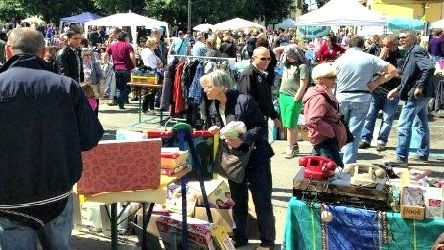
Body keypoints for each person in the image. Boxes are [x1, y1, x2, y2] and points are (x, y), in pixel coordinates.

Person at [0, 27, 103, 249]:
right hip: (56, 194)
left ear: (8, 52)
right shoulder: (66, 87)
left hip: (9, 199)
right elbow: (90, 138)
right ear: (44, 52)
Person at [202, 70, 275, 249]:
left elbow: (260, 127)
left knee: (261, 200)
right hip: (234, 160)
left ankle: (267, 241)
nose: (205, 90)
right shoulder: (213, 105)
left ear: (221, 86)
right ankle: (240, 238)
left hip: (256, 157)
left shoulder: (244, 100)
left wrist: (243, 138)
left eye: (208, 86)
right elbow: (220, 127)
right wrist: (215, 130)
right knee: (238, 200)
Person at [334, 35, 398, 164]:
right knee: (355, 131)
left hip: (342, 96)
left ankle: (335, 158)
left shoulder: (340, 60)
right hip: (362, 97)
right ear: (363, 45)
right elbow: (393, 70)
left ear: (349, 45)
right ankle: (349, 162)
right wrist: (377, 83)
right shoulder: (370, 58)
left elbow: (331, 77)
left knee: (339, 129)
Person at [386, 30, 435, 167]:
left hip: (417, 95)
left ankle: (401, 158)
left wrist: (419, 86)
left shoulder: (417, 51)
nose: (401, 40)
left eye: (404, 37)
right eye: (399, 38)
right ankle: (423, 154)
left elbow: (429, 68)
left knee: (403, 125)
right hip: (420, 93)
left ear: (413, 38)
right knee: (421, 124)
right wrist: (397, 90)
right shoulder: (411, 51)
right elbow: (409, 76)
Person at [359, 35, 403, 151]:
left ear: (394, 45)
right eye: (382, 45)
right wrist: (381, 57)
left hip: (391, 92)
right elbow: (371, 68)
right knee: (369, 116)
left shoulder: (400, 55)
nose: (384, 48)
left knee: (387, 118)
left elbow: (398, 72)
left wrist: (382, 71)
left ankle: (382, 140)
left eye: (387, 46)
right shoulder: (377, 52)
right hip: (375, 91)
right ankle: (365, 139)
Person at [302, 63, 347, 167]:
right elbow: (313, 120)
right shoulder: (319, 98)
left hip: (324, 138)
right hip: (324, 139)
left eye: (335, 77)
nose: (334, 80)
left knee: (325, 169)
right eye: (331, 77)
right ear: (320, 79)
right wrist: (331, 132)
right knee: (331, 169)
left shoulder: (324, 93)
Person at [238, 47, 281, 139]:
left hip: (262, 121)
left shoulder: (262, 73)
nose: (267, 61)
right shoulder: (248, 75)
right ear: (253, 58)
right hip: (254, 124)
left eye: (269, 59)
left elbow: (267, 97)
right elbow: (247, 101)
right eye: (263, 59)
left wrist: (274, 116)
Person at [278, 44, 309, 158]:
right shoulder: (286, 65)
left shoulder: (302, 66)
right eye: (286, 54)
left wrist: (296, 98)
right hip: (283, 95)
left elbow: (303, 84)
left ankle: (290, 146)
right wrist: (285, 48)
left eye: (289, 54)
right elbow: (276, 51)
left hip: (293, 97)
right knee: (287, 123)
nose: (287, 56)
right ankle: (294, 145)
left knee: (291, 123)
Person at [103, 31, 137, 109]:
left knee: (119, 87)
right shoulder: (127, 45)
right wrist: (134, 66)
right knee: (128, 87)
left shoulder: (112, 45)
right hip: (126, 69)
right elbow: (132, 56)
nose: (128, 39)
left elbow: (105, 55)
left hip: (116, 69)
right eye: (128, 37)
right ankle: (120, 100)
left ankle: (120, 104)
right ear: (125, 37)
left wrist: (105, 63)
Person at [140, 36, 162, 113]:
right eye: (156, 43)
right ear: (152, 44)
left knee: (152, 91)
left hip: (151, 73)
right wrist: (158, 64)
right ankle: (145, 109)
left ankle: (151, 108)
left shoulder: (150, 51)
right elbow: (152, 64)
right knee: (149, 91)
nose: (157, 44)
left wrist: (158, 62)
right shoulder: (148, 52)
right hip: (150, 73)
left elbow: (157, 60)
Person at [82, 48, 104, 116]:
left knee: (94, 110)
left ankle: (94, 125)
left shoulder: (94, 64)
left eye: (89, 54)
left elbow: (100, 76)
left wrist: (101, 88)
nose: (88, 56)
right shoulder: (78, 64)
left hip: (93, 90)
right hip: (82, 90)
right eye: (85, 55)